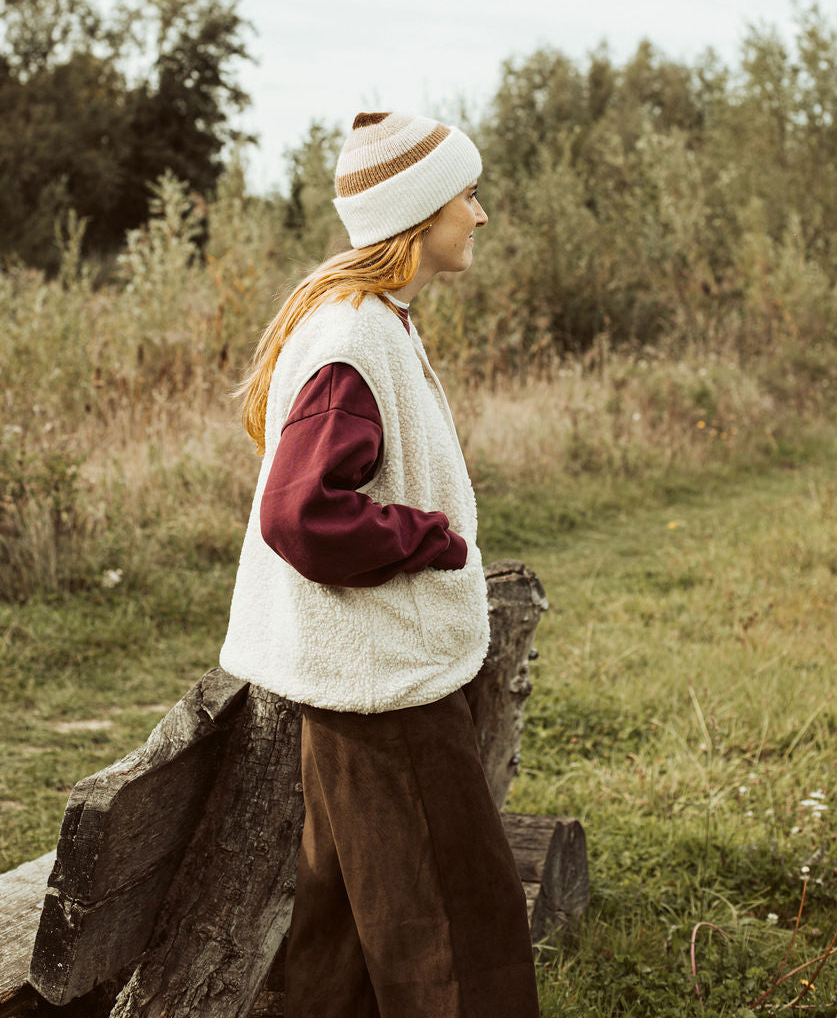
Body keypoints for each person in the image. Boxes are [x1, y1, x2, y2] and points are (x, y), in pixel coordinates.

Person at [220, 110, 540, 1018]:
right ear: (422, 212)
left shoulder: (367, 322)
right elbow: (302, 514)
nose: (480, 217)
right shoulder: (352, 339)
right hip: (385, 692)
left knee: (350, 943)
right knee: (456, 942)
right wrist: (431, 540)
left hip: (366, 685)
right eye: (468, 198)